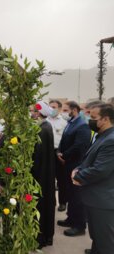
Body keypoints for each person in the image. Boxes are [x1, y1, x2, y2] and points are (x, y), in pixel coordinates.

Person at [72, 103, 114, 254]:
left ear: (105, 119)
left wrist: (78, 176)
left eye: (93, 117)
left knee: (105, 243)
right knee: (97, 237)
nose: (89, 119)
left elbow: (100, 170)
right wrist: (79, 168)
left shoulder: (111, 140)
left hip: (102, 200)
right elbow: (91, 159)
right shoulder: (102, 135)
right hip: (95, 198)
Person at [57, 101, 91, 237]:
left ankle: (79, 225)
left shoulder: (82, 125)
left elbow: (79, 146)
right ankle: (70, 219)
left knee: (77, 196)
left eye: (66, 110)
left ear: (75, 110)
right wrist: (59, 151)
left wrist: (64, 155)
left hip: (76, 164)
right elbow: (63, 139)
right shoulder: (71, 122)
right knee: (70, 194)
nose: (64, 112)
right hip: (67, 163)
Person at [31, 101, 56, 248]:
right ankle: (44, 236)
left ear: (39, 113)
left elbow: (37, 155)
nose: (31, 113)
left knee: (41, 206)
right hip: (44, 173)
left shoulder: (42, 129)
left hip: (40, 175)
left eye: (33, 111)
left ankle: (41, 238)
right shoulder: (44, 126)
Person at [47, 99, 68, 212]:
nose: (52, 109)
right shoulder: (45, 121)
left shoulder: (64, 122)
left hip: (58, 152)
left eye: (54, 107)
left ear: (59, 109)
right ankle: (51, 202)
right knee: (49, 179)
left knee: (61, 180)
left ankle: (62, 202)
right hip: (47, 153)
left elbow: (66, 139)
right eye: (50, 107)